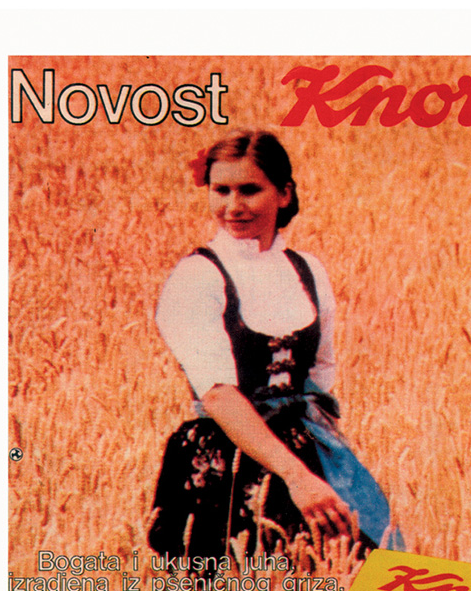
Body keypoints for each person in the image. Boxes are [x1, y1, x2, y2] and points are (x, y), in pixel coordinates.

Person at [148, 129, 401, 562]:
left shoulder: (307, 270)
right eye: (220, 190)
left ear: (283, 194)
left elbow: (319, 375)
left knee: (360, 581)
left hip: (310, 453)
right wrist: (296, 477)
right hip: (223, 463)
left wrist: (326, 467)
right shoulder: (197, 276)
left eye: (249, 190)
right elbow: (218, 394)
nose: (232, 206)